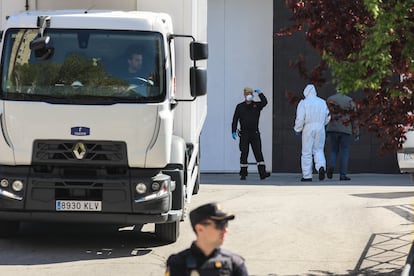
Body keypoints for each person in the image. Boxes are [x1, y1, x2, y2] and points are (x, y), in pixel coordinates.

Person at [165, 202, 248, 276]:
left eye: (226, 224)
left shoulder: (235, 263)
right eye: (219, 225)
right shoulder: (178, 264)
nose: (225, 230)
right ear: (200, 229)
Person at [231, 87, 271, 180]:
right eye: (247, 94)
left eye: (250, 94)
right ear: (244, 95)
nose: (248, 95)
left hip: (255, 133)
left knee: (258, 153)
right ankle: (243, 174)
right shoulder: (240, 106)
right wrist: (233, 130)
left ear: (252, 95)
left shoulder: (256, 105)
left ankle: (262, 173)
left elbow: (265, 102)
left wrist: (260, 94)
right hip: (244, 134)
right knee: (244, 153)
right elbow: (235, 119)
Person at [293, 84, 331, 182]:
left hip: (308, 127)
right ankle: (321, 167)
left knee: (306, 152)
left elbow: (300, 118)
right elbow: (328, 117)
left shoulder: (304, 103)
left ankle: (307, 176)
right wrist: (322, 124)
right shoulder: (322, 102)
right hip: (320, 127)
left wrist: (298, 129)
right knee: (318, 149)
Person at [326, 90, 359, 181]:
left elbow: (325, 114)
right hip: (345, 129)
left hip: (332, 128)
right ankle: (343, 174)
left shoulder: (330, 99)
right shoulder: (349, 100)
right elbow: (354, 117)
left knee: (333, 150)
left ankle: (332, 166)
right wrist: (356, 131)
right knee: (345, 152)